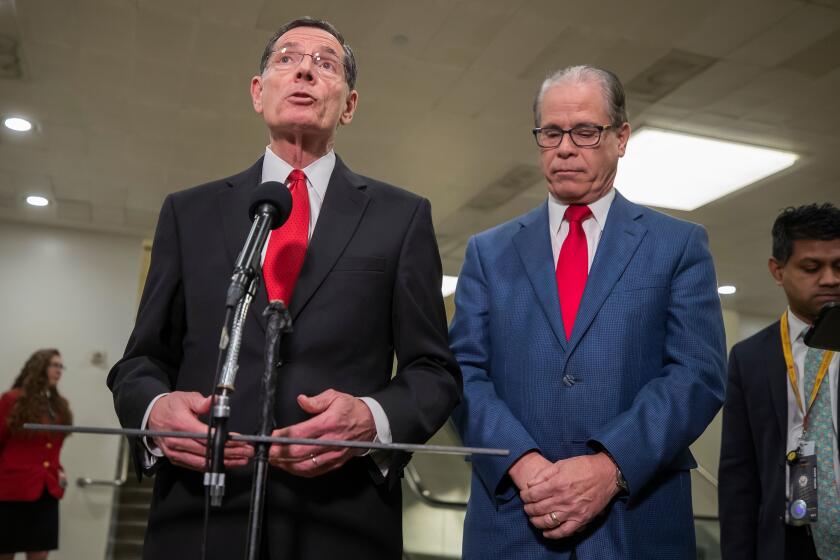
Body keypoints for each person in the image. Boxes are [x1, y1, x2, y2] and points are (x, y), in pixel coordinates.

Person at [106, 17, 461, 560]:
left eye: (325, 64)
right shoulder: (189, 212)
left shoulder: (402, 217)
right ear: (258, 91)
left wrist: (373, 418)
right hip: (200, 517)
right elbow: (140, 361)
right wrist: (154, 411)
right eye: (287, 59)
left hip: (339, 523)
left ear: (349, 105)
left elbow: (433, 372)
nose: (303, 70)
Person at [449, 64, 727, 559]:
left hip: (636, 521)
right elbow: (462, 373)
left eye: (585, 131)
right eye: (551, 132)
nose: (565, 147)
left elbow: (697, 374)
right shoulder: (488, 253)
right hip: (515, 519)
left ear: (621, 138)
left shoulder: (678, 245)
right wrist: (525, 463)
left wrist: (608, 467)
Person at [719, 203, 840, 560]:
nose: (831, 278)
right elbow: (738, 477)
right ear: (778, 270)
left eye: (839, 266)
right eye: (812, 267)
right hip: (787, 541)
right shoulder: (750, 358)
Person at [0, 349, 72, 560]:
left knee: (40, 553)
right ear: (39, 366)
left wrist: (58, 470)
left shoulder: (60, 406)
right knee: (5, 553)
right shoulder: (12, 400)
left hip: (46, 489)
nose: (59, 370)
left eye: (61, 366)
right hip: (12, 489)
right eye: (54, 365)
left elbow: (53, 447)